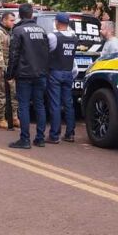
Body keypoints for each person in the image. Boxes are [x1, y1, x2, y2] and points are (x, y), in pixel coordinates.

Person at [6, 3, 49, 149]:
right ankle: (40, 138)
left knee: (23, 106)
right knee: (40, 105)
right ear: (31, 15)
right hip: (40, 74)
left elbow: (14, 54)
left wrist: (10, 73)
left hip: (24, 74)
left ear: (20, 15)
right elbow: (47, 53)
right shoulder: (42, 30)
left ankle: (25, 140)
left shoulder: (18, 31)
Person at [46, 13, 79, 144]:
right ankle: (70, 134)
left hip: (55, 72)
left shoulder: (53, 36)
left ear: (57, 22)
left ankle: (54, 135)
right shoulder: (74, 37)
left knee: (55, 104)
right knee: (69, 104)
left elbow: (47, 51)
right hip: (68, 73)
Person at [0, 12, 19, 130]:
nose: (13, 22)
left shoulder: (9, 32)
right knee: (2, 92)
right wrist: (3, 66)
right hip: (2, 67)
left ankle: (14, 117)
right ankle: (1, 118)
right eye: (11, 20)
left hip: (10, 66)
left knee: (14, 91)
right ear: (4, 20)